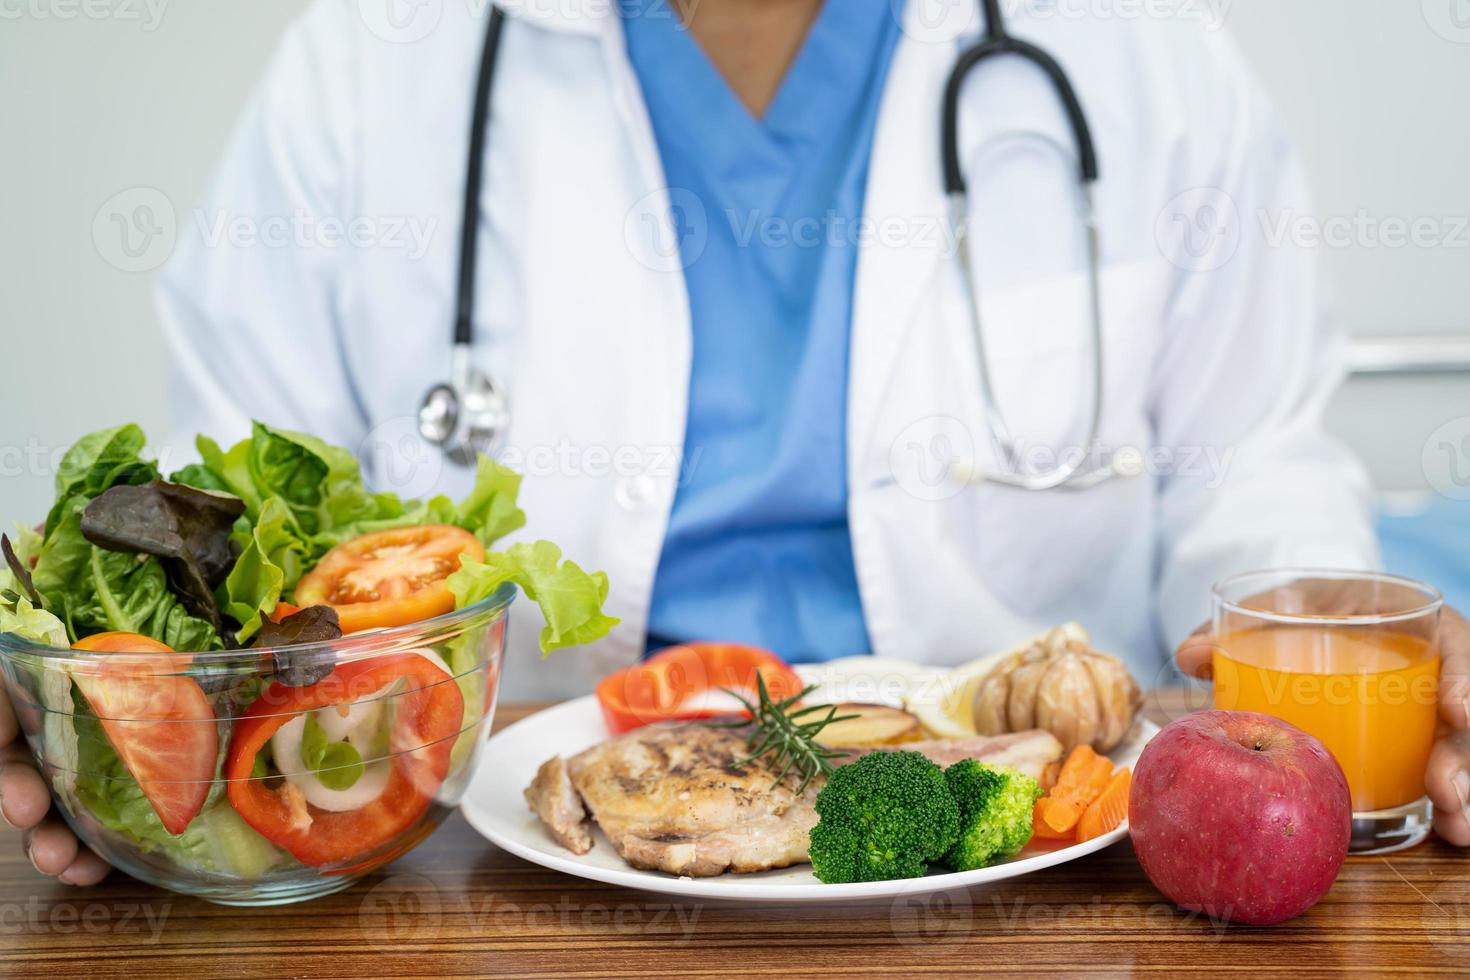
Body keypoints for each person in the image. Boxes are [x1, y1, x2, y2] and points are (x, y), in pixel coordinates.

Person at [6, 0, 1468, 884]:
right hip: (502, 877)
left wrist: (1326, 627)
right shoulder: (371, 67)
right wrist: (114, 716)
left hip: (1034, 872)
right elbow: (215, 532)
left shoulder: (1133, 50)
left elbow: (1257, 460)